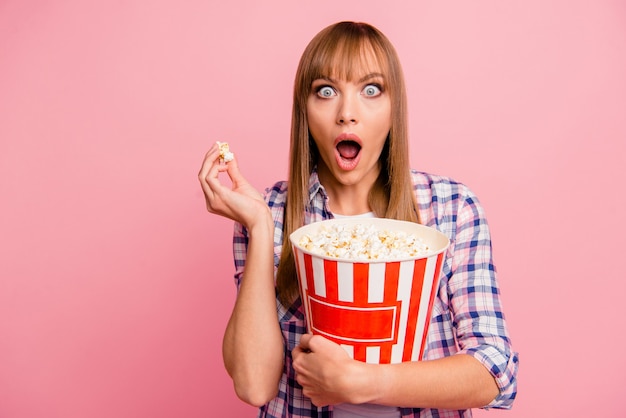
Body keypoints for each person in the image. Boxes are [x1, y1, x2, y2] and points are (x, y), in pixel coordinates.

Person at [198, 21, 518, 418]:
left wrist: (367, 382)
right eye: (326, 91)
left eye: (371, 90)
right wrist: (260, 227)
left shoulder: (451, 208)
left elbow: (494, 371)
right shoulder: (270, 212)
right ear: (304, 109)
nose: (347, 114)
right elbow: (252, 383)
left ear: (393, 108)